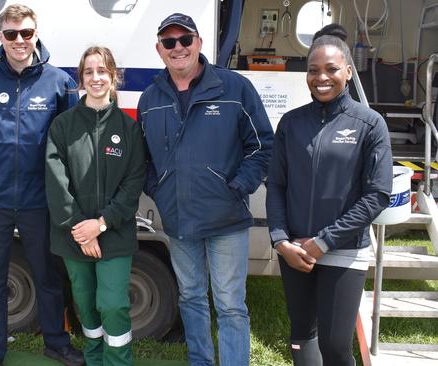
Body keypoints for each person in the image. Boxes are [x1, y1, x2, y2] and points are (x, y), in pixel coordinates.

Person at [137, 13, 274, 366]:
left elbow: (262, 146)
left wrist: (239, 186)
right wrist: (160, 190)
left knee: (230, 304)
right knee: (191, 298)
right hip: (179, 220)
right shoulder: (150, 98)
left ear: (199, 43)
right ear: (159, 49)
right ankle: (201, 360)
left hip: (226, 217)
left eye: (185, 40)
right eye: (169, 42)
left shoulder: (234, 88)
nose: (178, 48)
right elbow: (144, 159)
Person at [266, 24, 392, 366]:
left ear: (348, 72)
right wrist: (280, 240)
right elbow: (276, 184)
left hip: (342, 251)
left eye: (332, 69)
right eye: (313, 70)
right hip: (295, 252)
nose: (322, 77)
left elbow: (377, 195)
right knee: (301, 341)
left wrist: (324, 241)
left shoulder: (369, 124)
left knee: (336, 347)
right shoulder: (291, 124)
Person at [0, 4, 83, 366]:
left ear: (36, 34)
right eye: (11, 33)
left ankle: (56, 342)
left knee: (48, 274)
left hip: (39, 199)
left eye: (27, 33)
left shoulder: (60, 81)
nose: (20, 40)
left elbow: (71, 145)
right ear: (0, 36)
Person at [46, 46, 146, 366]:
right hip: (73, 235)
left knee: (113, 304)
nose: (96, 77)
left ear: (113, 76)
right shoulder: (63, 125)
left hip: (114, 235)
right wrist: (82, 229)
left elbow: (133, 185)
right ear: (81, 79)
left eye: (102, 71)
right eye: (88, 72)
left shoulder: (129, 128)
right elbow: (55, 180)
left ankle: (117, 362)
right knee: (86, 305)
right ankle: (93, 358)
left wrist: (100, 225)